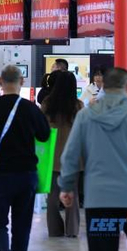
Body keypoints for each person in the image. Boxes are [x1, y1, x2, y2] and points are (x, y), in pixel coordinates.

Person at [59, 68, 127, 251]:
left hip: (99, 199)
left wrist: (66, 187)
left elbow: (70, 156)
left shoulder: (85, 116)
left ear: (103, 86)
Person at [0, 65, 50, 251]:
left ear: (0, 81)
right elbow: (44, 135)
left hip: (1, 175)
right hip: (27, 174)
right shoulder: (31, 108)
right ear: (22, 81)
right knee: (22, 225)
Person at [40, 71, 82, 238]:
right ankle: (72, 230)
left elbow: (41, 127)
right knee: (72, 194)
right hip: (73, 156)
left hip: (52, 155)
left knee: (52, 197)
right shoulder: (78, 106)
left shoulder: (47, 104)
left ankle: (54, 230)